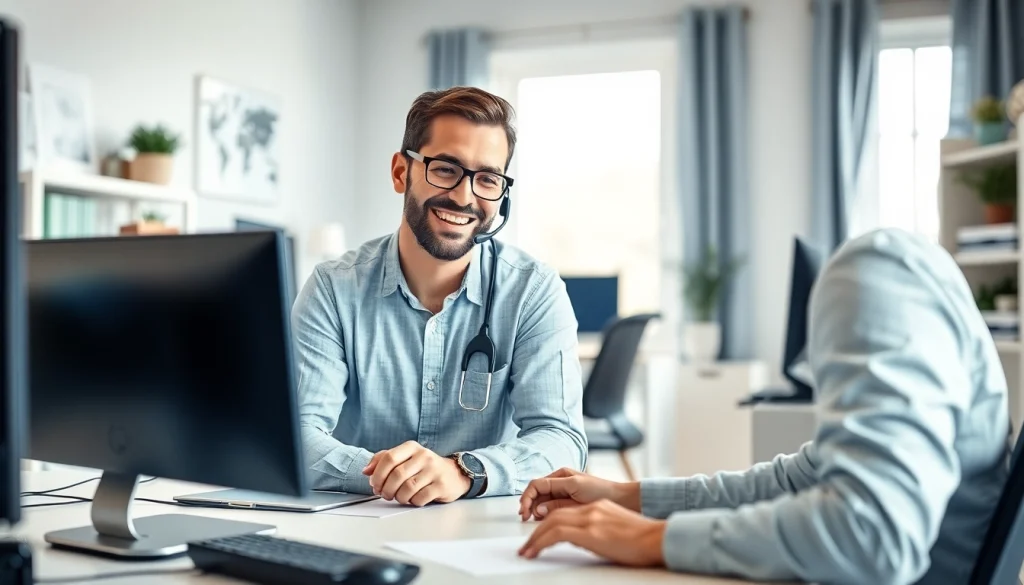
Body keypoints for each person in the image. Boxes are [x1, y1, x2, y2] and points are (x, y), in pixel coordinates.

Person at [517, 229, 1010, 585]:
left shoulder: (873, 272)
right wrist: (628, 497)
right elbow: (794, 481)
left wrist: (653, 541)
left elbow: (871, 536)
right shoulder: (903, 286)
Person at [292, 86, 587, 507]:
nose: (465, 197)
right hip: (357, 525)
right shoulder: (333, 288)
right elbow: (296, 434)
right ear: (400, 172)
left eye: (487, 179)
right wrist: (394, 476)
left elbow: (562, 441)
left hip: (479, 532)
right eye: (446, 169)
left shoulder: (533, 291)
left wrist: (464, 471)